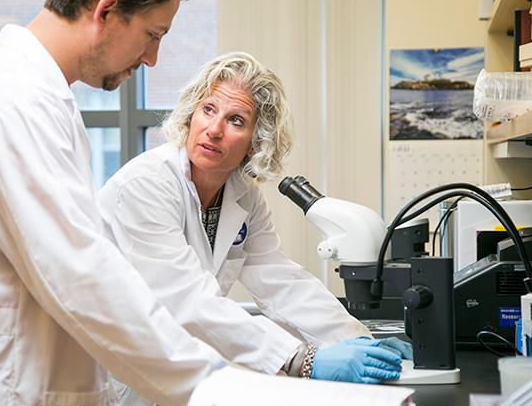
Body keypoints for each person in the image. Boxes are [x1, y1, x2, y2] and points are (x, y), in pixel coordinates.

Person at [0, 0, 228, 405]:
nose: (152, 58)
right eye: (153, 35)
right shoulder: (17, 103)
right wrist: (216, 385)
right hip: (4, 386)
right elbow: (81, 274)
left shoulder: (38, 96)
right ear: (106, 11)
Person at [97, 51, 413, 403]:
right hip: (119, 373)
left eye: (236, 120)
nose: (214, 130)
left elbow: (280, 280)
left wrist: (356, 340)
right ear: (190, 114)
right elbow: (187, 302)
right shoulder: (145, 185)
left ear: (255, 141)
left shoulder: (242, 194)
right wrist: (301, 359)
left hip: (174, 369)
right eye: (208, 109)